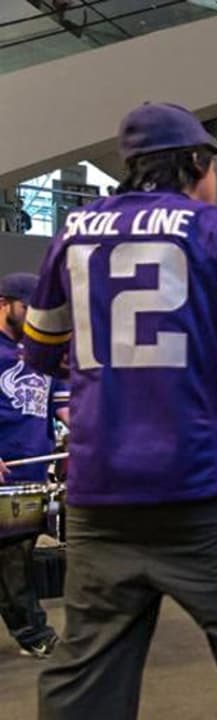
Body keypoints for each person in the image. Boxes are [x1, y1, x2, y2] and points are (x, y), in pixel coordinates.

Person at [25, 102, 217, 718]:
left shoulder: (73, 232)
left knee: (87, 671)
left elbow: (40, 349)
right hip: (204, 485)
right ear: (194, 164)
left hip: (101, 492)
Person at [0, 273, 67, 660]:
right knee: (12, 559)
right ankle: (35, 633)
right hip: (3, 474)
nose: (34, 317)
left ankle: (32, 632)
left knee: (17, 555)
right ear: (5, 304)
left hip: (29, 475)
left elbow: (62, 406)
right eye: (28, 308)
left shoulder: (40, 353)